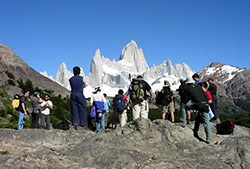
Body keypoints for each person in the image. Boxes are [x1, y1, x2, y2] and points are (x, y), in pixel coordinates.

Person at [185, 77, 212, 144]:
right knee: (201, 120)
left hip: (198, 106)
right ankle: (199, 133)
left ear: (188, 84)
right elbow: (206, 97)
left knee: (184, 106)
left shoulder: (188, 89)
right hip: (205, 105)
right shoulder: (199, 87)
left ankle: (184, 121)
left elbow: (186, 99)